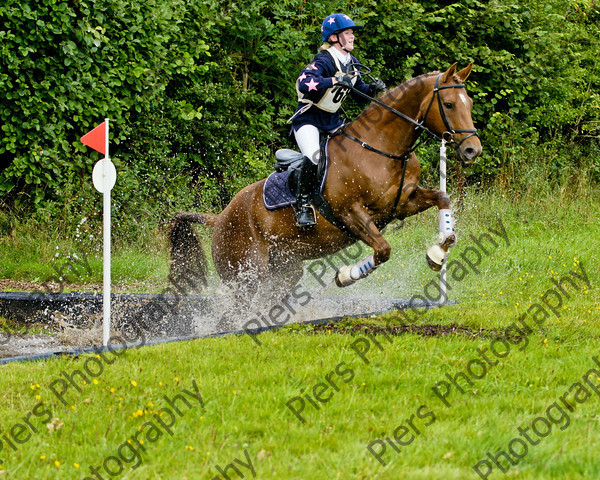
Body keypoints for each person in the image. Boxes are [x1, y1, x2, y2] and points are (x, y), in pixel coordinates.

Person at [289, 13, 386, 227]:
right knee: (313, 158)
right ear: (334, 38)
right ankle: (303, 206)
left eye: (352, 33)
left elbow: (360, 92)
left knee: (357, 150)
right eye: (348, 33)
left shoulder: (351, 62)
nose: (352, 37)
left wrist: (373, 89)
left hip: (333, 122)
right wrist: (333, 79)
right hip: (309, 120)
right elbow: (305, 82)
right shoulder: (324, 60)